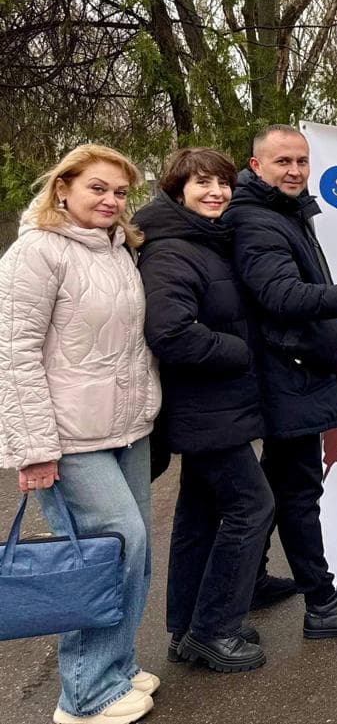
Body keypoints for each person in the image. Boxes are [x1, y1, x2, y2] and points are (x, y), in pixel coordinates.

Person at [223, 124, 337, 637]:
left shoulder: (283, 214)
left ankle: (253, 579)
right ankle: (322, 604)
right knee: (299, 490)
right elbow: (282, 297)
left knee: (281, 483)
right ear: (256, 166)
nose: (295, 171)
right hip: (288, 374)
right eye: (283, 162)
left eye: (302, 162)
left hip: (294, 371)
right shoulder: (258, 222)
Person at [0, 145, 162, 724]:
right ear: (62, 188)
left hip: (126, 430)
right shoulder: (36, 253)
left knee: (130, 550)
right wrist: (34, 449)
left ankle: (115, 666)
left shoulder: (119, 251)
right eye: (98, 188)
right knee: (106, 549)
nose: (111, 201)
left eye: (120, 192)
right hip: (69, 438)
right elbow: (13, 355)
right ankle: (87, 694)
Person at [135, 148, 273, 673]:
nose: (216, 192)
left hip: (214, 408)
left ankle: (188, 629)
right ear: (177, 190)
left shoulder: (204, 241)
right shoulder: (173, 251)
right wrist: (239, 352)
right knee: (252, 507)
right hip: (205, 410)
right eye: (202, 184)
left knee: (199, 515)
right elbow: (169, 331)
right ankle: (216, 629)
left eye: (222, 183)